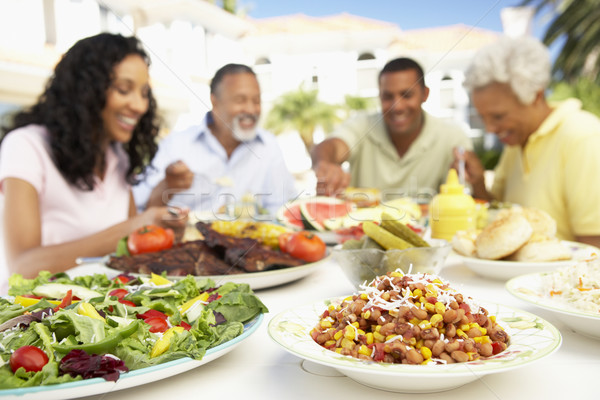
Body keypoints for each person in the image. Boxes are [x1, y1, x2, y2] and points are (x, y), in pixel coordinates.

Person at [0, 33, 187, 281]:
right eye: (124, 89)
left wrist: (163, 226)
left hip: (104, 309)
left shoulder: (117, 156)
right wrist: (132, 226)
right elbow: (23, 267)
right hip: (36, 312)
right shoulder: (27, 145)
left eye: (144, 93)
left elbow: (129, 250)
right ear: (86, 91)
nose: (140, 105)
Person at [455, 35, 600, 246]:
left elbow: (594, 248)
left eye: (498, 116)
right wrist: (477, 182)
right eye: (482, 117)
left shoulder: (583, 137)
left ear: (536, 95)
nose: (490, 129)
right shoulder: (516, 140)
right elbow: (499, 219)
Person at [133, 63, 297, 218]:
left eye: (256, 101)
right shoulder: (176, 145)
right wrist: (167, 185)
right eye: (240, 100)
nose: (251, 109)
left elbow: (284, 210)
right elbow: (142, 211)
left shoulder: (269, 147)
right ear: (215, 102)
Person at [311, 57, 473, 200]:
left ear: (425, 94)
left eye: (407, 95)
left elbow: (473, 199)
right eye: (387, 97)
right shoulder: (362, 125)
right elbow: (333, 145)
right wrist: (325, 163)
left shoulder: (453, 137)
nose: (397, 106)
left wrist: (476, 181)